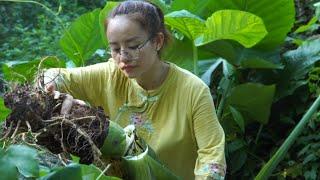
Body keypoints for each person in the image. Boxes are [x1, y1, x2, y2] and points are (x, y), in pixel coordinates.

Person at [44, 1, 226, 179]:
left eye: (133, 46)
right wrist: (51, 92)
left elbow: (211, 155)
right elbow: (54, 75)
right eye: (115, 49)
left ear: (157, 41)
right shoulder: (109, 76)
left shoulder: (193, 90)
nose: (123, 57)